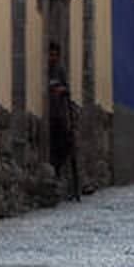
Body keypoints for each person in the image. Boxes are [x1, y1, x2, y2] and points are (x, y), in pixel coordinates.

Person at [45, 41, 82, 200]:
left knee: (65, 144)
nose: (52, 57)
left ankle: (58, 170)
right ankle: (55, 172)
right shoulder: (46, 69)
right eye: (50, 54)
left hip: (59, 114)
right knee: (56, 144)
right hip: (51, 115)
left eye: (54, 55)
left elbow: (67, 89)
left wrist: (61, 90)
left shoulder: (60, 69)